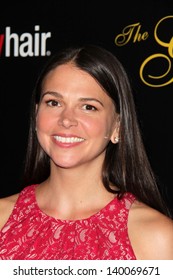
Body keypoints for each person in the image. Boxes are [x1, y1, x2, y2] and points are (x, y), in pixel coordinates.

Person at [0, 44, 172, 260]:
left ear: (117, 126)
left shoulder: (156, 237)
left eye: (88, 107)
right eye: (54, 102)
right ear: (36, 115)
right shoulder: (3, 218)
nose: (66, 119)